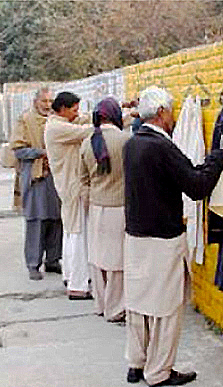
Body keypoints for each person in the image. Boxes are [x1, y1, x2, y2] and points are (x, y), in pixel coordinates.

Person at [122, 86, 223, 387]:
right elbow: (197, 186)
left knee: (139, 303)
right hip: (163, 239)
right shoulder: (162, 147)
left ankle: (136, 363)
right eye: (170, 112)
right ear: (161, 113)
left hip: (135, 236)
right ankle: (158, 371)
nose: (173, 118)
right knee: (166, 307)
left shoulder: (132, 144)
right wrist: (220, 156)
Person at [79, 97, 130, 322]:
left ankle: (100, 304)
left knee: (98, 258)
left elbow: (82, 180)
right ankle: (115, 308)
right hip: (119, 208)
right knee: (117, 261)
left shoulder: (87, 142)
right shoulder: (126, 141)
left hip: (95, 207)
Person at [44, 92, 94, 300]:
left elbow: (87, 119)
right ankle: (78, 285)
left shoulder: (60, 123)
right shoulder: (57, 128)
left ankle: (71, 276)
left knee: (72, 232)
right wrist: (113, 121)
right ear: (63, 109)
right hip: (73, 186)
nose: (77, 113)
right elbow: (87, 130)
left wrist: (125, 112)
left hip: (69, 186)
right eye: (74, 109)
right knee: (78, 235)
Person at [10, 87, 63, 281]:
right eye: (44, 102)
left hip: (56, 176)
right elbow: (18, 150)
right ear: (35, 102)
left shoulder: (57, 120)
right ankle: (33, 264)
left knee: (57, 219)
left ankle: (53, 260)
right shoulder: (25, 120)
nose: (47, 105)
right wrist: (41, 152)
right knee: (36, 220)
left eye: (50, 102)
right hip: (35, 177)